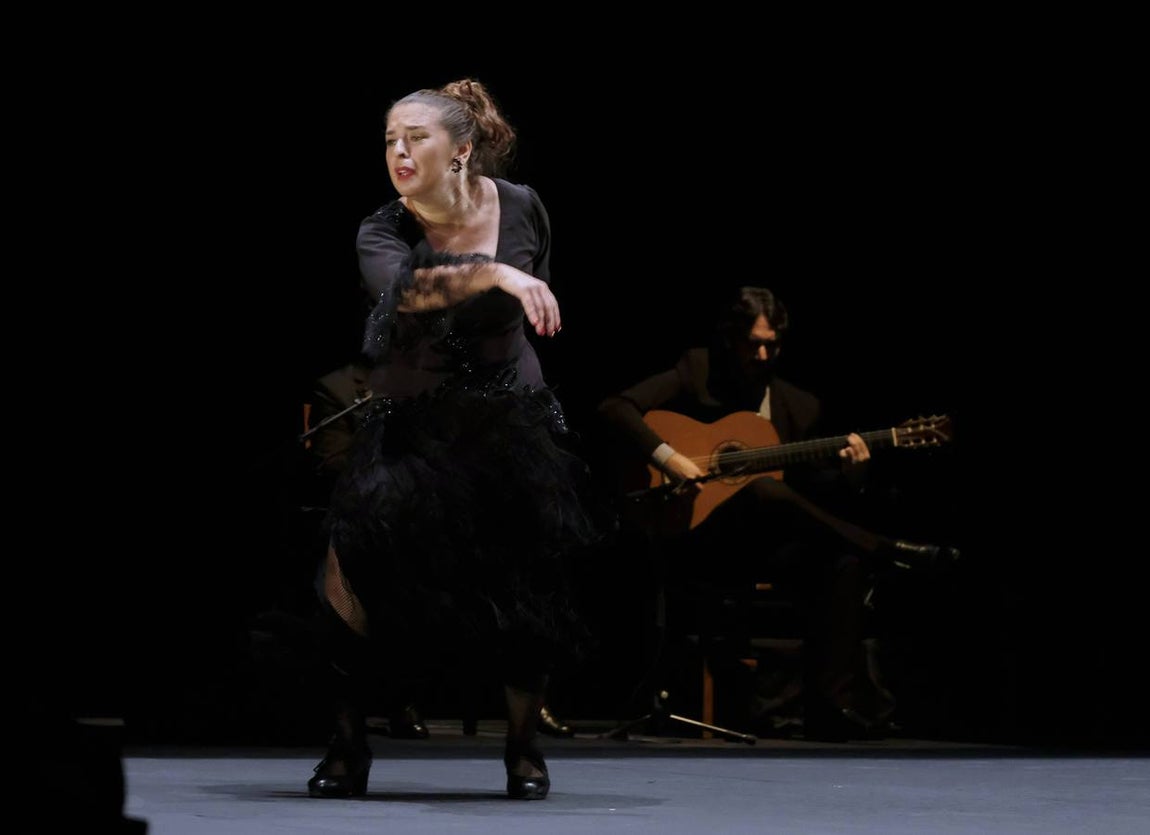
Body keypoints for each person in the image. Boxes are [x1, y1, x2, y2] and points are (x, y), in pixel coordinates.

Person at [306, 78, 599, 802]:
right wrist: (494, 271)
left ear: (462, 149)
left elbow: (536, 296)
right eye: (388, 140)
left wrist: (515, 316)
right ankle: (347, 744)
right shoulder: (382, 229)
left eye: (416, 137)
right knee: (348, 566)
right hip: (415, 419)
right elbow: (412, 292)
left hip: (506, 415)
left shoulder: (523, 205)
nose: (398, 151)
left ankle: (525, 747)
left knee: (529, 576)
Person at [595, 285, 958, 742]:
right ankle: (888, 548)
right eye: (754, 343)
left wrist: (853, 477)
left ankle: (832, 707)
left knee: (842, 561)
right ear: (731, 339)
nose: (763, 354)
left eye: (773, 344)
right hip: (697, 538)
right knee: (766, 491)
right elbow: (615, 408)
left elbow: (806, 496)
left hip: (762, 550)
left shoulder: (799, 406)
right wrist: (670, 459)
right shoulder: (699, 370)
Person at [301, 356, 576, 739]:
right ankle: (368, 725)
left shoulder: (456, 376)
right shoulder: (341, 387)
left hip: (457, 523)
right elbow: (331, 464)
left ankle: (524, 726)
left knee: (526, 568)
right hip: (378, 525)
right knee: (355, 579)